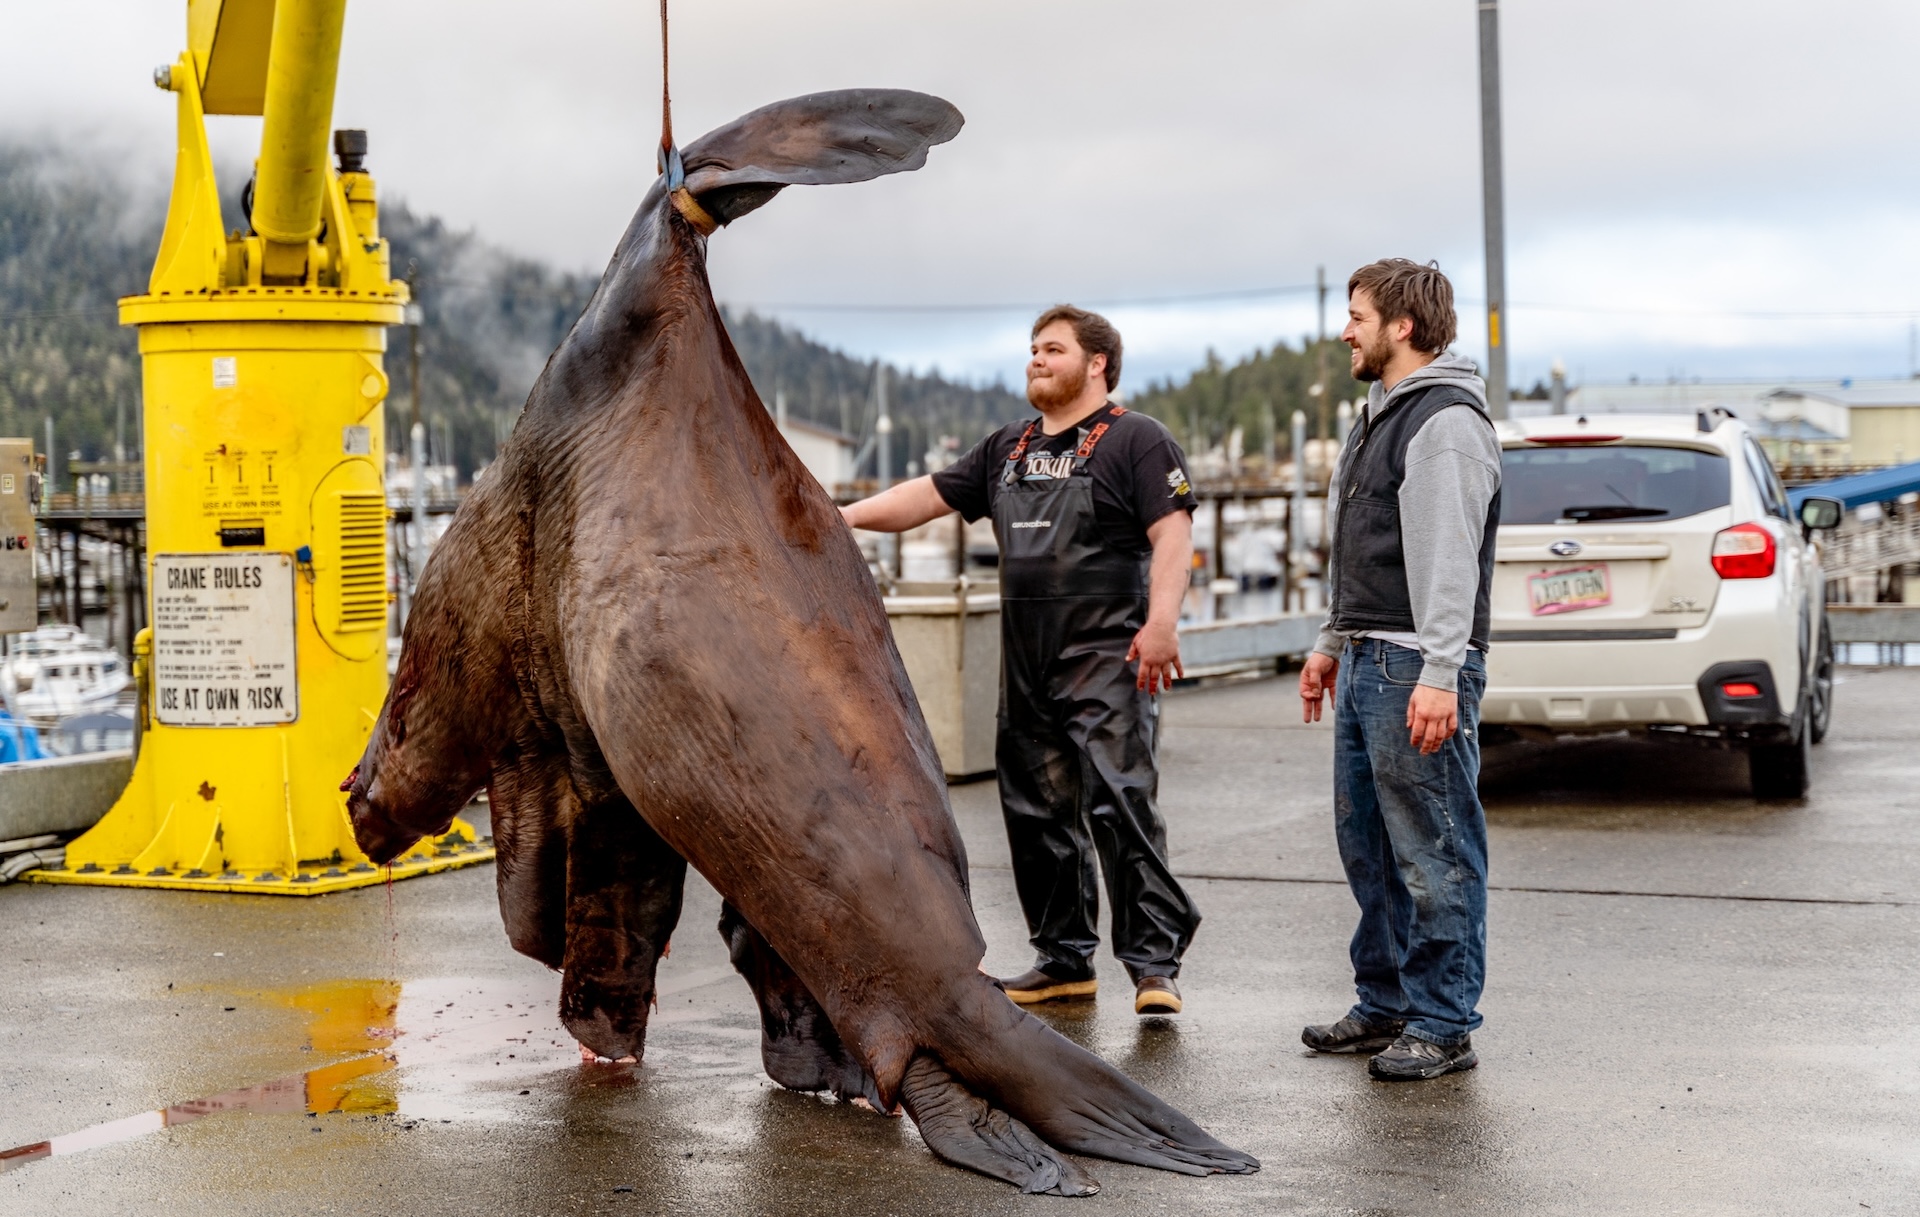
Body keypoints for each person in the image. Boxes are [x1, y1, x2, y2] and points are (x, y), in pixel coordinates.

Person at [841, 305, 1202, 1016]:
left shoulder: (1137, 441)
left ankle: (1154, 966)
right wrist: (841, 516)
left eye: (1053, 349)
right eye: (1033, 348)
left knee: (1120, 805)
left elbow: (1172, 533)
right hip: (1028, 665)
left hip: (1108, 655)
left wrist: (1162, 622)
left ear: (1097, 363)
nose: (1036, 358)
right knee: (1036, 816)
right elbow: (926, 495)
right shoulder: (1007, 447)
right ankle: (1063, 960)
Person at [1297, 259, 1502, 1080]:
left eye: (1356, 315)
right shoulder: (1382, 415)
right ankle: (1385, 1003)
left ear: (1401, 327)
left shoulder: (1445, 423)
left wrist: (1442, 672)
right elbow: (1367, 549)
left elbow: (1449, 560)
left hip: (1415, 661)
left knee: (1435, 847)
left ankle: (1444, 1022)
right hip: (1368, 656)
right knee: (1370, 846)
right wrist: (1329, 639)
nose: (1344, 330)